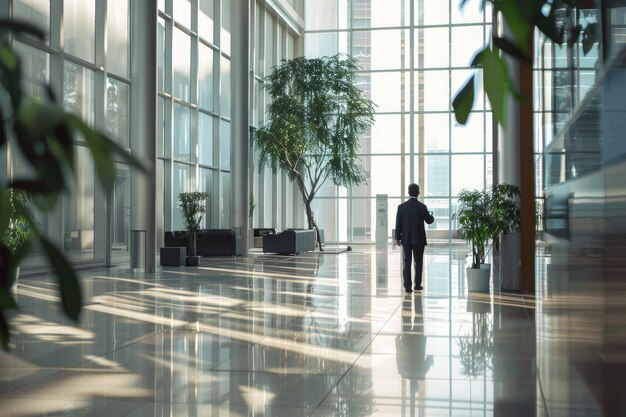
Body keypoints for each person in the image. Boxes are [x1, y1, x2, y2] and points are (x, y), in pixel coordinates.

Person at [395, 183, 434, 293]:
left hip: (406, 239)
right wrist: (432, 216)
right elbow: (429, 221)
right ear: (419, 192)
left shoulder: (401, 207)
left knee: (406, 263)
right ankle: (417, 285)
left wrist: (397, 238)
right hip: (419, 239)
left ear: (408, 192)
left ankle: (407, 287)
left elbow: (398, 223)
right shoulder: (422, 207)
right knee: (418, 262)